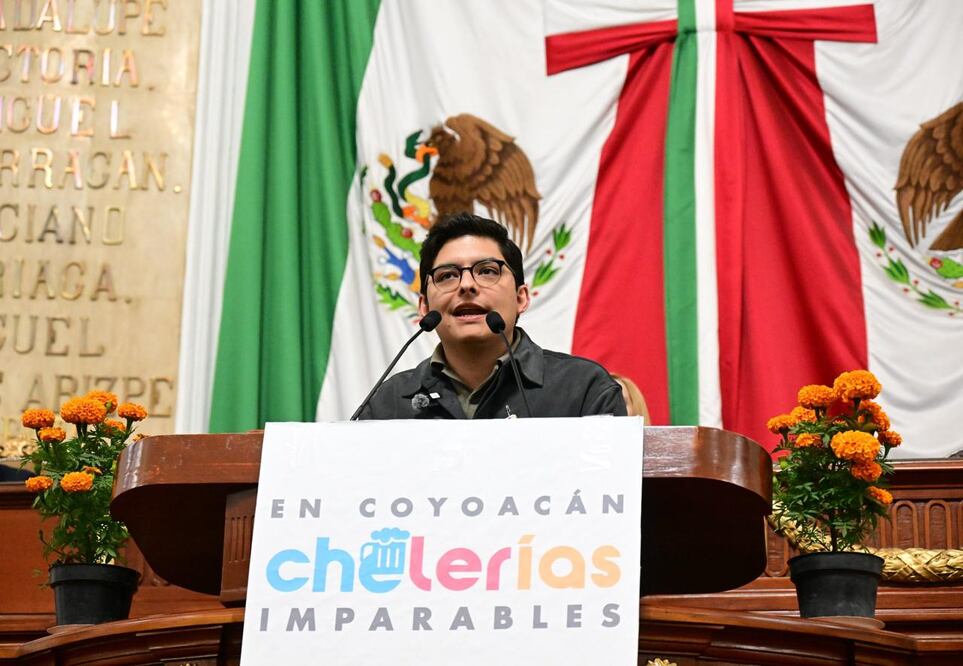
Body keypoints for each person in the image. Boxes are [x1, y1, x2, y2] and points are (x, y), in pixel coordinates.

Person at [358, 213, 627, 419]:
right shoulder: (389, 404)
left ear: (521, 298)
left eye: (487, 271)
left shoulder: (583, 390)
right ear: (425, 307)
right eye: (447, 275)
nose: (466, 285)